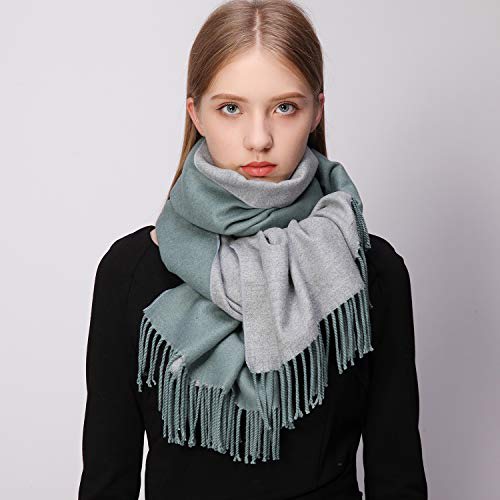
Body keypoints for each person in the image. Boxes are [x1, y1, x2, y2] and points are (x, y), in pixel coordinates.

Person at [77, 1, 428, 499]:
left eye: (285, 107)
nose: (258, 138)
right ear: (196, 113)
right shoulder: (129, 271)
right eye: (231, 108)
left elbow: (398, 476)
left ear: (316, 112)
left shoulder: (372, 270)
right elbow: (106, 480)